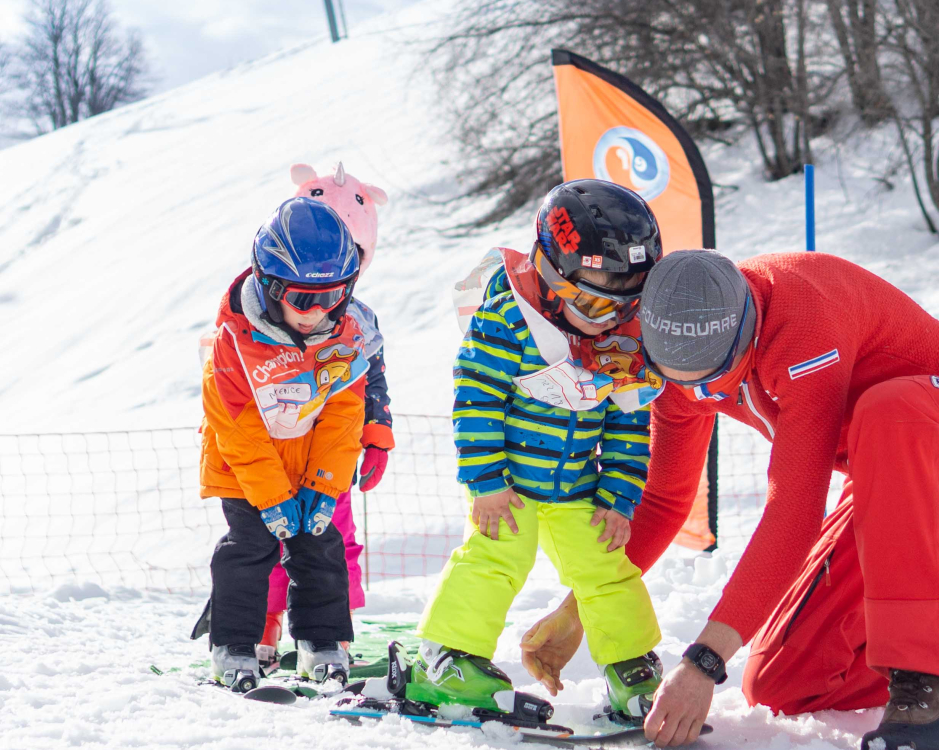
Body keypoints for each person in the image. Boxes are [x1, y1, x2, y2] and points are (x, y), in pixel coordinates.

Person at [519, 249, 939, 750]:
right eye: (683, 383)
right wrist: (579, 609)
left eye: (715, 381)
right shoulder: (677, 358)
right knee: (783, 682)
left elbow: (793, 509)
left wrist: (703, 660)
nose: (702, 395)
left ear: (745, 328)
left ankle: (933, 683)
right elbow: (667, 500)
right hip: (888, 478)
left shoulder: (801, 321)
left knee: (889, 410)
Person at [403, 180, 668, 723]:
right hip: (510, 489)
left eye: (626, 302)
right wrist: (487, 483)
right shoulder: (508, 319)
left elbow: (628, 422)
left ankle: (631, 667)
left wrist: (618, 498)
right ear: (551, 276)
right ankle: (448, 657)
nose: (607, 318)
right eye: (594, 301)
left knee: (606, 567)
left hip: (578, 489)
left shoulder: (621, 340)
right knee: (496, 560)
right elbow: (475, 400)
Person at [196, 197, 373, 691]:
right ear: (271, 288)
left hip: (307, 464)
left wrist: (324, 484)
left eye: (334, 297)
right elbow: (236, 427)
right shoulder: (234, 340)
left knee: (320, 544)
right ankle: (233, 646)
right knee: (250, 548)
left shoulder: (344, 335)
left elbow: (343, 414)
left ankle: (322, 644)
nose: (319, 313)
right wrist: (272, 496)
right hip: (244, 469)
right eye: (303, 300)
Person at [259, 163, 397, 665]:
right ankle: (265, 621)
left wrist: (377, 431)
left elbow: (372, 377)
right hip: (277, 448)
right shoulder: (272, 313)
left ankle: (331, 627)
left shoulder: (359, 318)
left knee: (333, 537)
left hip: (333, 452)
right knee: (268, 539)